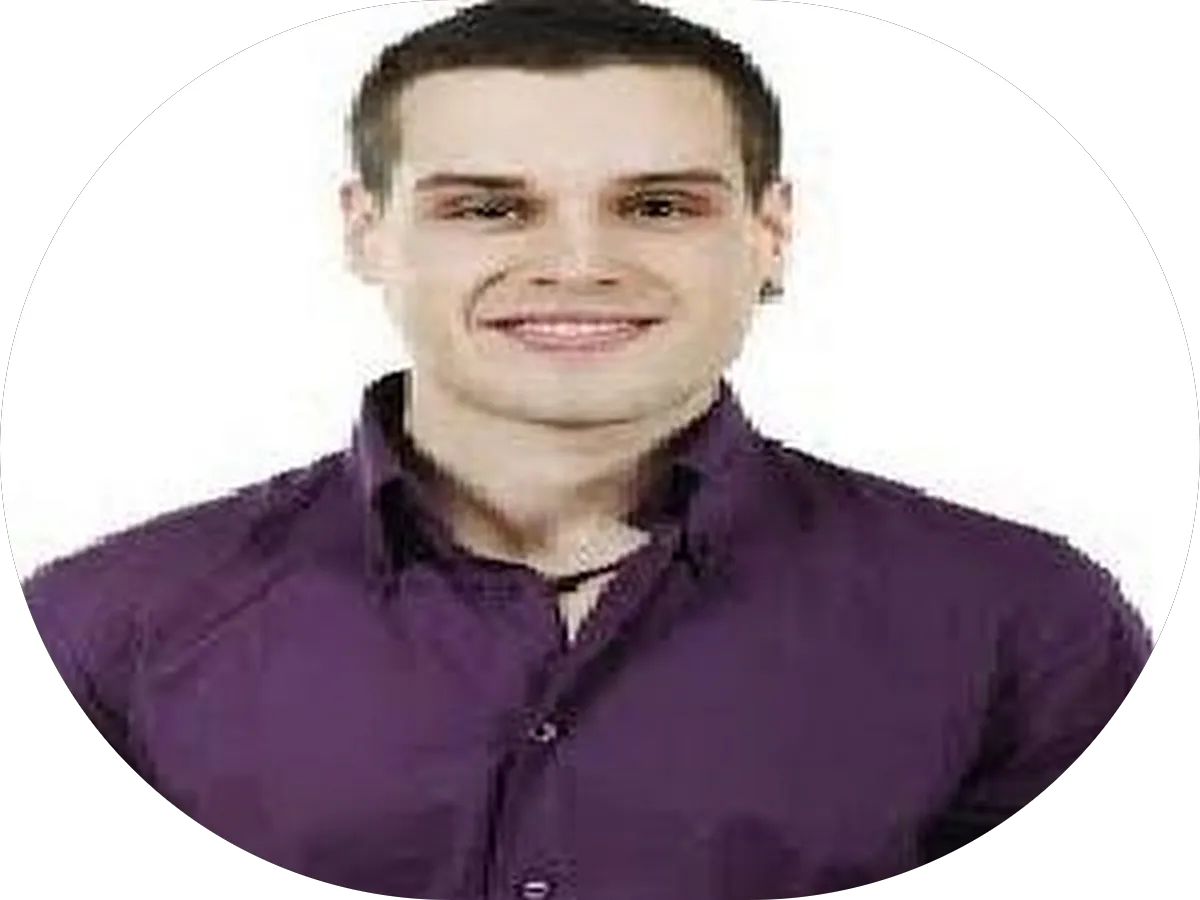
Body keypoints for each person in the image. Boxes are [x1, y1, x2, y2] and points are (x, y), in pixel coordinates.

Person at [21, 1, 1153, 898]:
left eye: (657, 207)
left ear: (769, 232)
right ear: (367, 232)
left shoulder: (1023, 623)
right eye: (488, 208)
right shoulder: (106, 630)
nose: (577, 265)